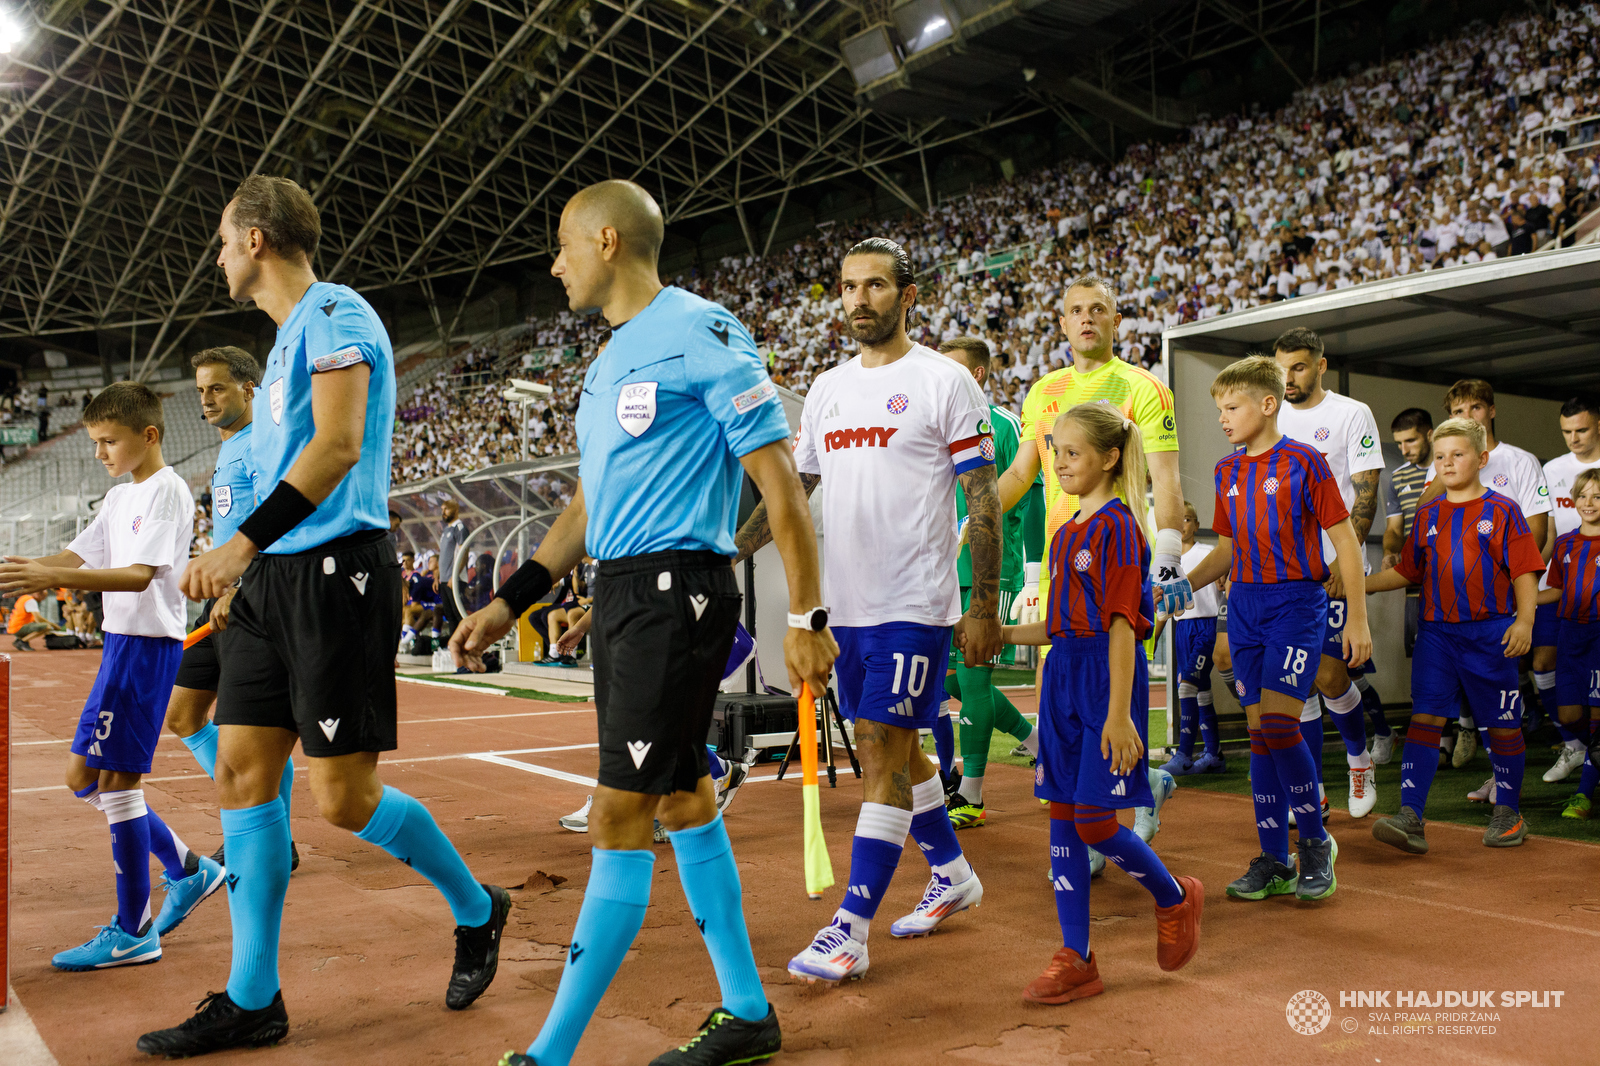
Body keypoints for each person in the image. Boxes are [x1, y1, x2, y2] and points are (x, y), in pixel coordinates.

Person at [450, 179, 833, 1066]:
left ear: (609, 241)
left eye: (562, 246)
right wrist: (515, 598)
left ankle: (549, 1054)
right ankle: (746, 1011)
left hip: (679, 594)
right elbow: (588, 503)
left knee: (619, 817)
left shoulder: (703, 333)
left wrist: (808, 614)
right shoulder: (606, 362)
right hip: (625, 594)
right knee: (683, 799)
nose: (554, 265)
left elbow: (781, 487)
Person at [140, 175, 508, 1056]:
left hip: (340, 577)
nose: (219, 255)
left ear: (258, 239)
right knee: (239, 774)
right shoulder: (281, 353)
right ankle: (252, 997)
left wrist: (239, 545)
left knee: (342, 798)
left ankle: (477, 906)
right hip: (274, 585)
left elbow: (339, 446)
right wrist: (246, 570)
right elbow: (282, 475)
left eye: (225, 240)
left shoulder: (337, 314)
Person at [735, 237, 1002, 987]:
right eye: (849, 287)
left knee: (882, 748)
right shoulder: (825, 390)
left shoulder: (945, 381)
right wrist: (727, 549)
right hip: (844, 609)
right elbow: (796, 493)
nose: (859, 300)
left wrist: (982, 607)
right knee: (899, 749)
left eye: (876, 286)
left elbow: (981, 499)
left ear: (907, 295)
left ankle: (849, 928)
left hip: (915, 600)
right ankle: (951, 873)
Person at [999, 402, 1202, 1003]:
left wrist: (1118, 714)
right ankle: (1077, 956)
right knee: (1063, 815)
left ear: (1110, 458)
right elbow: (1060, 625)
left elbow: (1121, 626)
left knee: (1090, 820)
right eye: (1055, 452)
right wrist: (1001, 635)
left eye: (1072, 452)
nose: (1058, 463)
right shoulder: (1064, 534)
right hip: (1062, 672)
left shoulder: (1118, 526)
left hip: (1105, 678)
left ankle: (1174, 897)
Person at [0, 383, 196, 970]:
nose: (101, 453)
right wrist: (22, 570)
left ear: (149, 435)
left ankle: (134, 929)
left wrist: (42, 576)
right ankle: (186, 868)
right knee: (81, 775)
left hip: (147, 648)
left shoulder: (168, 491)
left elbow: (137, 576)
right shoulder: (119, 498)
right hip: (120, 646)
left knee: (116, 784)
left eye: (109, 441)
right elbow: (77, 557)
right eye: (95, 442)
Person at [1185, 355, 1370, 903]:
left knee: (1283, 728)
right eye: (1218, 408)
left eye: (1232, 406)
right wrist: (1176, 589)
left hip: (1297, 604)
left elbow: (1346, 542)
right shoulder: (1225, 471)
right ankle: (1273, 857)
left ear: (1268, 405)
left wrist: (1356, 618)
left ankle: (1315, 843)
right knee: (1262, 735)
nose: (1222, 417)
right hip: (1244, 605)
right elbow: (1226, 550)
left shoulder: (1306, 463)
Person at [1366, 417, 1543, 853]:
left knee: (1501, 726)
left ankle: (1508, 813)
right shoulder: (1426, 514)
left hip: (1492, 634)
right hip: (1437, 636)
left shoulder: (1504, 509)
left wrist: (1524, 622)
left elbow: (1525, 571)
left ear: (1481, 458)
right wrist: (1358, 585)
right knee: (1425, 718)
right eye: (1441, 456)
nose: (1447, 463)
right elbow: (1408, 571)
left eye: (1458, 454)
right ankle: (1411, 816)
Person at [163, 347, 299, 893]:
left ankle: (267, 833)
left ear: (249, 388)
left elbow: (285, 518)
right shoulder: (228, 449)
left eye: (216, 388)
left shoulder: (264, 443)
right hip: (221, 597)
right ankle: (271, 826)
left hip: (251, 597)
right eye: (200, 391)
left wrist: (241, 584)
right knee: (182, 713)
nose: (206, 399)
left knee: (259, 735)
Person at [1272, 328, 1384, 821]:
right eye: (1280, 368)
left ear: (1319, 365)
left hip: (1335, 563)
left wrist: (1345, 558)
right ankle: (1312, 790)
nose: (1287, 378)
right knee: (1298, 681)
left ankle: (1360, 760)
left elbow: (1364, 494)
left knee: (1330, 674)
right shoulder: (1270, 412)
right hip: (1282, 567)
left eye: (1297, 367)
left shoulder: (1351, 412)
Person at [935, 336, 1041, 830]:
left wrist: (1037, 572)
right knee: (949, 680)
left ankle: (971, 795)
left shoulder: (1003, 425)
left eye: (951, 368)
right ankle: (1042, 747)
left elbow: (1032, 499)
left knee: (973, 677)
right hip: (938, 573)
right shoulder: (935, 423)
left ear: (976, 375)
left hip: (988, 573)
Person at [1418, 379, 1551, 769]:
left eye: (1474, 409)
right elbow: (1427, 519)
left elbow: (1536, 533)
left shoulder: (1520, 460)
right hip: (1456, 600)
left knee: (1510, 678)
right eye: (1457, 412)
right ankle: (1468, 731)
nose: (1466, 417)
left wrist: (1507, 589)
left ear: (1490, 411)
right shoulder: (1442, 462)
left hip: (1505, 594)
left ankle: (1509, 778)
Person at [1534, 398, 1600, 783]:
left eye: (1582, 430)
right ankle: (1573, 746)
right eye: (1567, 432)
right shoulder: (1553, 468)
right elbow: (1552, 532)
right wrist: (1528, 581)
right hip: (1562, 585)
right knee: (1542, 663)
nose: (1574, 438)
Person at [1539, 468, 1600, 820]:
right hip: (1570, 635)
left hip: (1598, 637)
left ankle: (1583, 795)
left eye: (1596, 496)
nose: (1588, 503)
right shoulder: (1564, 543)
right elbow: (1559, 589)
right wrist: (1522, 600)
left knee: (1597, 720)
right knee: (1569, 715)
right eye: (1582, 496)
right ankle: (1588, 757)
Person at [1153, 501, 1225, 775]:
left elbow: (1225, 572)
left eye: (1188, 519)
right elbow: (1162, 608)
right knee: (1202, 691)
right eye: (1178, 520)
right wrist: (1153, 639)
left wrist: (1224, 578)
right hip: (1182, 628)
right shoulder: (1165, 564)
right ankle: (1213, 754)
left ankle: (1183, 754)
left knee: (1186, 687)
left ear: (1196, 525)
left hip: (1207, 626)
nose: (1182, 524)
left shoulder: (1208, 553)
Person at [438, 497, 468, 636]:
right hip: (444, 579)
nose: (443, 512)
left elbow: (463, 554)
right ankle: (453, 646)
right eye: (442, 509)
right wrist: (438, 574)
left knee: (458, 614)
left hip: (454, 580)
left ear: (455, 510)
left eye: (446, 509)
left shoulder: (460, 528)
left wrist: (454, 576)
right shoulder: (446, 530)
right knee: (450, 616)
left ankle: (465, 645)